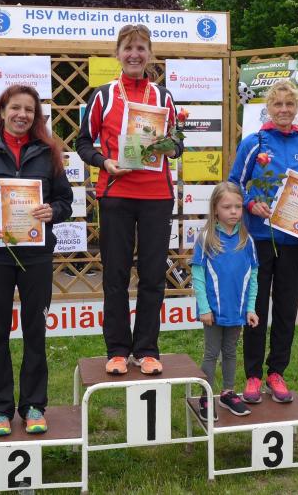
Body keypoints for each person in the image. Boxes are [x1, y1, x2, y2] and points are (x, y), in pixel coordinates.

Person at [0, 85, 73, 436]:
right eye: (15, 108)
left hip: (36, 255)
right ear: (2, 111)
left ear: (36, 116)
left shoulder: (47, 153)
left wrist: (52, 211)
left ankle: (34, 406)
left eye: (29, 109)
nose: (22, 115)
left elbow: (65, 201)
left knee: (35, 330)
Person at [76, 24, 182, 376]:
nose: (134, 54)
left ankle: (147, 349)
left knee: (153, 275)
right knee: (116, 275)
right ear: (118, 53)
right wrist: (104, 162)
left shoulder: (163, 96)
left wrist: (169, 147)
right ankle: (118, 350)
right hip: (116, 194)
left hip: (156, 195)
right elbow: (83, 142)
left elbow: (177, 144)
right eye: (128, 48)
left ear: (150, 54)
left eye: (141, 48)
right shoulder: (103, 95)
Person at [228, 79, 298, 404]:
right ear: (268, 107)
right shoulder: (254, 142)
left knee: (286, 308)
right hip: (259, 239)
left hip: (293, 240)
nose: (283, 110)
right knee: (256, 308)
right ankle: (253, 375)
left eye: (289, 104)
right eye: (277, 104)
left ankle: (276, 372)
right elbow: (235, 183)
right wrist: (251, 204)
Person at [191, 182, 259, 421]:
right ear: (215, 209)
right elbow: (198, 277)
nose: (233, 211)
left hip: (236, 311)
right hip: (213, 312)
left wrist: (250, 308)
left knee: (230, 352)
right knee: (211, 353)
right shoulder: (206, 239)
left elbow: (253, 276)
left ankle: (228, 393)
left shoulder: (247, 241)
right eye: (227, 207)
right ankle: (206, 397)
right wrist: (204, 308)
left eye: (238, 207)